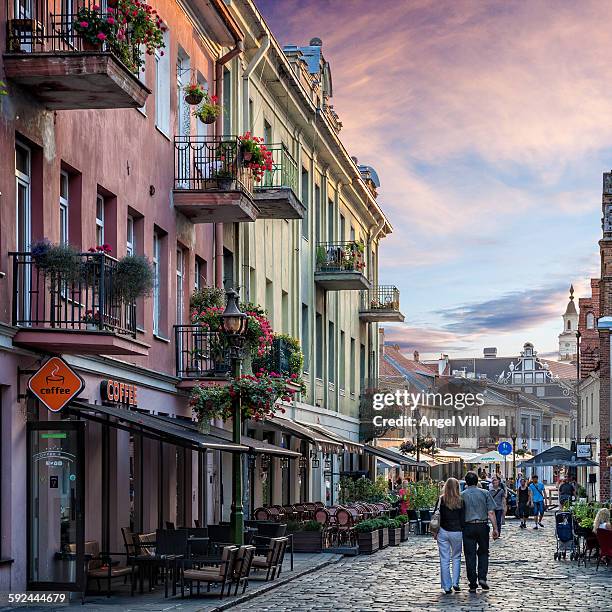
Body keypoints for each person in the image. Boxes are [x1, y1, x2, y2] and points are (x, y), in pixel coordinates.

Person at [461, 471, 499, 593]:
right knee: (483, 552)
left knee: (469, 555)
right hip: (482, 525)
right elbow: (491, 512)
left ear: (466, 482)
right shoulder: (485, 493)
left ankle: (472, 582)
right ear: (477, 481)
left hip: (468, 526)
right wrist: (495, 528)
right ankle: (482, 577)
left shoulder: (462, 495)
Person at [433, 477, 465, 594]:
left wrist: (435, 532)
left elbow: (436, 515)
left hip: (443, 531)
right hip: (457, 532)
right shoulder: (460, 500)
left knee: (444, 559)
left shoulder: (441, 499)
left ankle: (447, 586)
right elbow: (463, 518)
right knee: (456, 557)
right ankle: (456, 583)